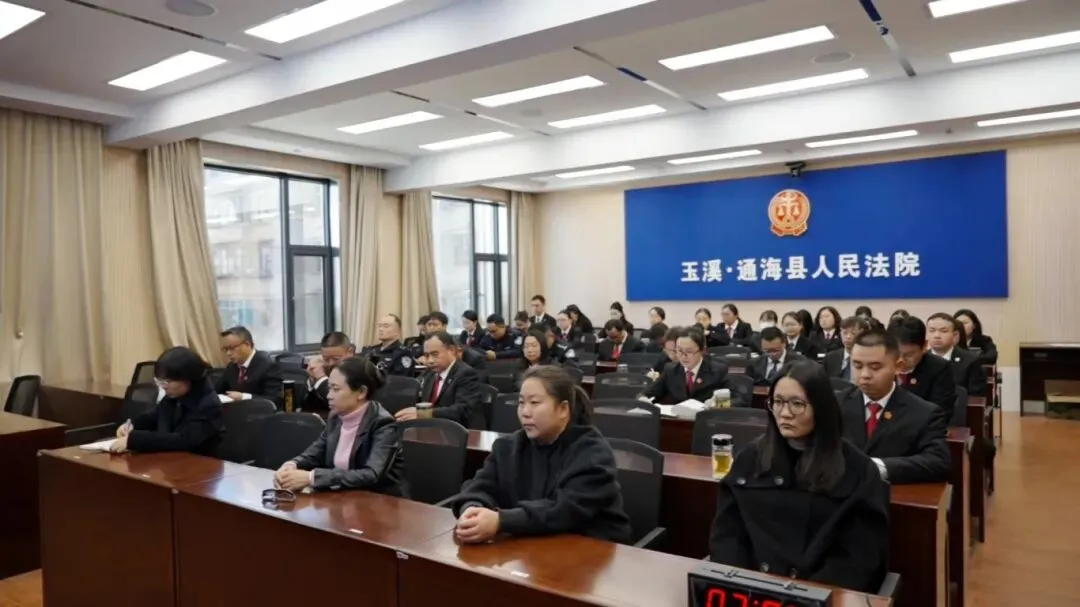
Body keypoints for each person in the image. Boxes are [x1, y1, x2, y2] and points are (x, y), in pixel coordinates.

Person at [710, 361, 889, 593]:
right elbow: (728, 534)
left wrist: (808, 595)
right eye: (778, 402)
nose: (785, 413)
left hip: (820, 593)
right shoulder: (752, 457)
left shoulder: (857, 469)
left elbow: (858, 556)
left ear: (821, 408)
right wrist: (739, 583)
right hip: (750, 589)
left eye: (797, 404)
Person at [449, 365, 632, 544]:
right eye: (521, 403)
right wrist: (472, 509)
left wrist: (501, 521)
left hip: (590, 547)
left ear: (563, 409)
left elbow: (564, 509)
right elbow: (478, 487)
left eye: (534, 403)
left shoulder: (592, 452)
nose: (525, 412)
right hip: (532, 544)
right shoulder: (507, 447)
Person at [274, 357, 405, 495]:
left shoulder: (383, 424)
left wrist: (312, 477)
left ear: (361, 392)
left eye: (336, 389)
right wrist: (292, 465)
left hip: (378, 500)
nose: (329, 396)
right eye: (329, 388)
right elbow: (316, 452)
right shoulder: (336, 417)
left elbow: (371, 474)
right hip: (341, 497)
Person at [841, 329, 951, 484]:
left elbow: (938, 462)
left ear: (898, 366)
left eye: (875, 367)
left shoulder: (924, 413)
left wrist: (878, 467)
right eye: (857, 366)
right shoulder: (835, 403)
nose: (865, 374)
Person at [111, 347, 223, 455]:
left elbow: (184, 440)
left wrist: (135, 440)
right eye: (160, 380)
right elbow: (154, 416)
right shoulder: (175, 395)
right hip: (170, 459)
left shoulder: (209, 405)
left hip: (199, 463)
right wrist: (132, 425)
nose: (163, 386)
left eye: (168, 381)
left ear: (189, 378)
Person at [396, 331, 484, 428]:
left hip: (457, 430)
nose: (430, 361)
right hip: (430, 428)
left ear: (451, 350)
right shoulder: (429, 373)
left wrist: (424, 414)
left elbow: (463, 410)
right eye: (426, 355)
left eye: (435, 354)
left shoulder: (466, 373)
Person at [641, 327, 729, 403]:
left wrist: (717, 403)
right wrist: (643, 399)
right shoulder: (670, 370)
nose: (683, 356)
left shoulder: (718, 370)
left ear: (702, 350)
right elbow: (647, 393)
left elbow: (735, 399)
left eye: (689, 351)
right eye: (679, 350)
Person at [892, 317, 956, 420]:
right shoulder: (881, 365)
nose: (901, 360)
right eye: (896, 353)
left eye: (909, 355)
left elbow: (941, 411)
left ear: (924, 346)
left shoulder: (939, 368)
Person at [215, 326, 283, 406]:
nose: (228, 353)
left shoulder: (268, 365)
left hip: (258, 411)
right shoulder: (232, 366)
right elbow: (217, 389)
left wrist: (244, 397)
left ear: (247, 344)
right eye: (226, 349)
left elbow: (274, 399)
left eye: (232, 348)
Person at [927, 313, 987, 398]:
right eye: (932, 331)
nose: (937, 336)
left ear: (955, 335)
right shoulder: (920, 359)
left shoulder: (971, 360)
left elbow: (976, 397)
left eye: (944, 331)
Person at [303, 331, 355, 412]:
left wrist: (321, 379)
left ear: (350, 352)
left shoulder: (360, 372)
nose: (331, 363)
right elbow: (307, 410)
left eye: (336, 359)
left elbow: (339, 403)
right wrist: (313, 382)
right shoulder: (325, 370)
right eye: (326, 359)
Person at [823, 316, 871, 381]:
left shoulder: (870, 357)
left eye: (853, 333)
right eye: (844, 333)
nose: (848, 337)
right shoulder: (830, 358)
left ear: (863, 334)